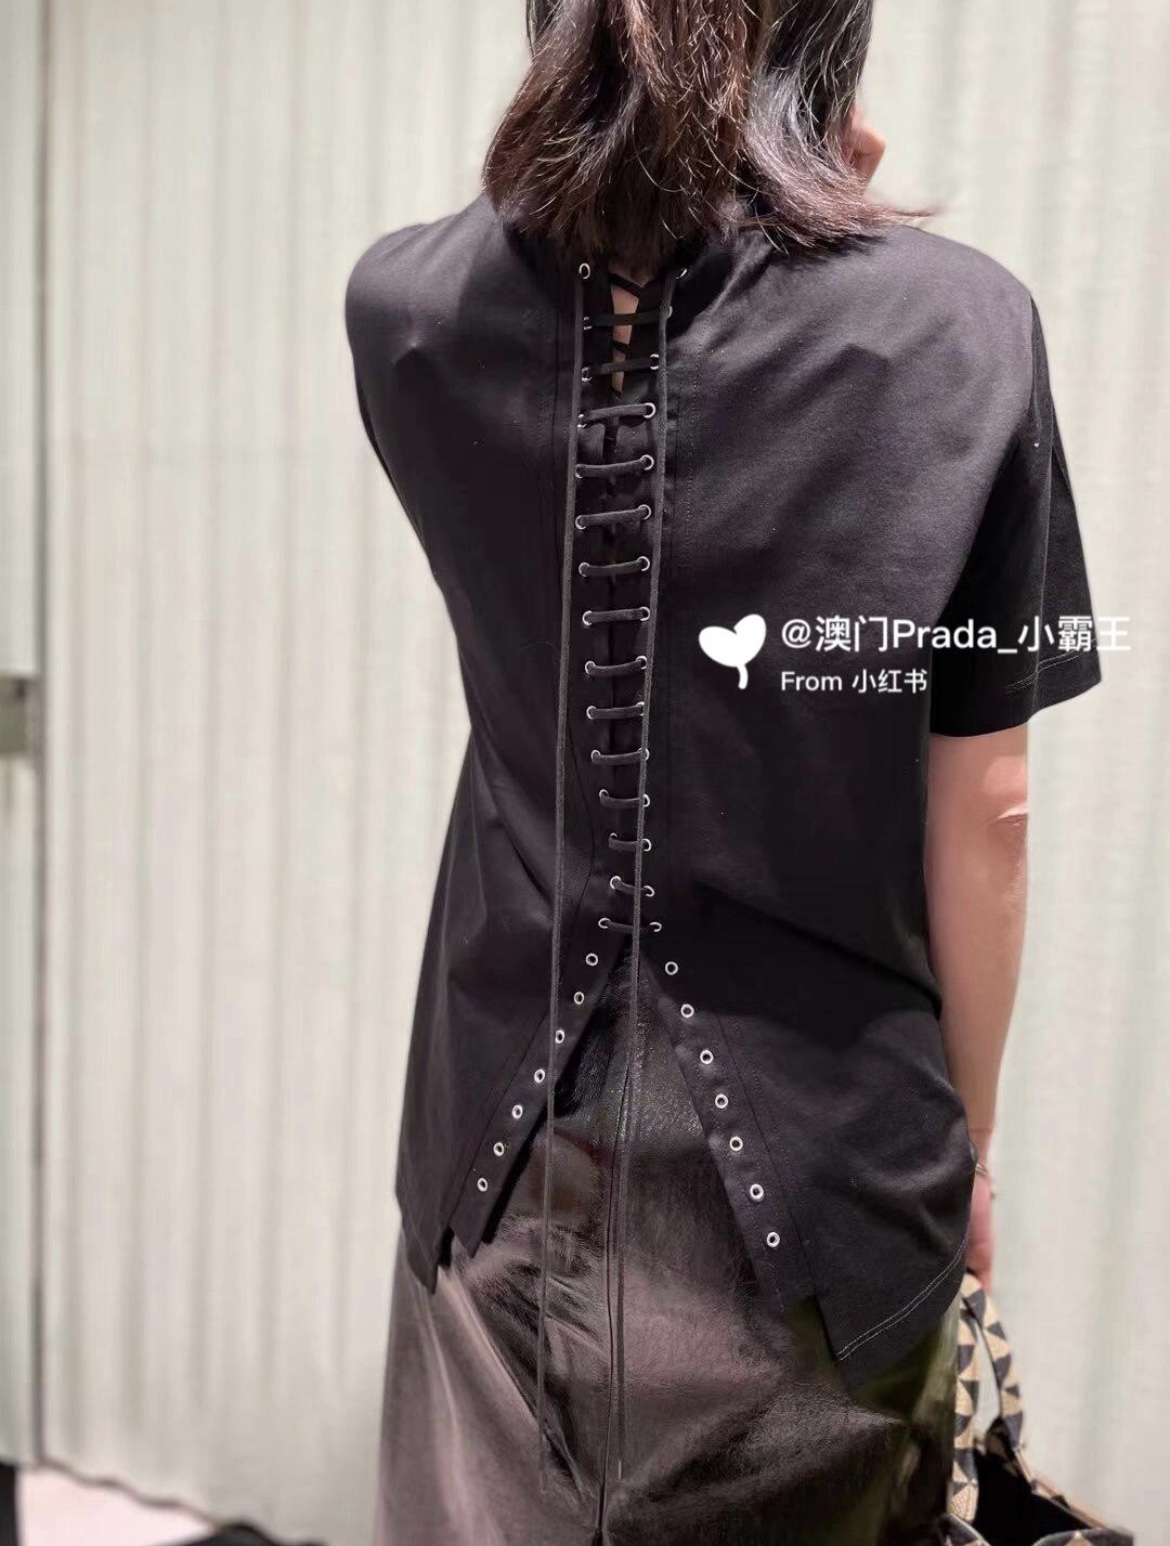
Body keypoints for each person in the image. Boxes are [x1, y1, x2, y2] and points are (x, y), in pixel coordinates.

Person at [344, 1, 1102, 1541]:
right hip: (833, 1173)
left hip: (498, 1144)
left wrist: (684, 158)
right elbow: (992, 807)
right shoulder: (962, 327)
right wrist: (967, 1149)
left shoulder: (402, 306)